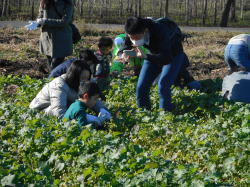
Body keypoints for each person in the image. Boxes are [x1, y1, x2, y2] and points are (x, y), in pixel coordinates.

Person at [119, 17, 200, 112]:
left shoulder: (160, 31)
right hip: (152, 54)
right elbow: (126, 44)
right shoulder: (132, 29)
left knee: (163, 85)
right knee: (141, 86)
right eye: (131, 37)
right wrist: (123, 53)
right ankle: (144, 113)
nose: (134, 41)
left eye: (137, 38)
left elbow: (166, 58)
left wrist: (146, 57)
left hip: (172, 56)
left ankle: (165, 115)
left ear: (145, 31)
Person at [29, 60, 111, 118]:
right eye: (82, 78)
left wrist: (103, 110)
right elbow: (58, 112)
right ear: (74, 77)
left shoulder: (85, 83)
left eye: (87, 78)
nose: (85, 81)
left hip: (64, 106)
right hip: (41, 109)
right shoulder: (59, 85)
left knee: (75, 108)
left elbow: (92, 98)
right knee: (74, 109)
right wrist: (83, 119)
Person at [37, 0, 74, 71]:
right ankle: (51, 80)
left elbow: (65, 21)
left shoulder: (67, 3)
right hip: (47, 38)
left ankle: (52, 79)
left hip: (62, 38)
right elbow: (40, 15)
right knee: (50, 64)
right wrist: (37, 23)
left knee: (54, 66)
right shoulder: (44, 1)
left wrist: (45, 21)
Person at [221, 34, 250, 103]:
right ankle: (243, 94)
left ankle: (227, 93)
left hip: (228, 49)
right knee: (247, 72)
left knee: (232, 72)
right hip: (239, 49)